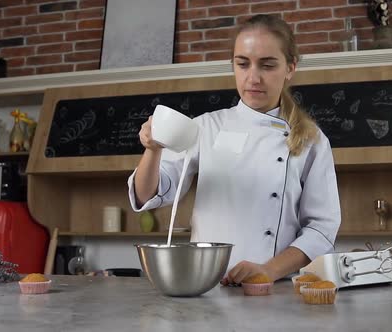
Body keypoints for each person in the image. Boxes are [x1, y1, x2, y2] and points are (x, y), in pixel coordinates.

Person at [127, 14, 341, 285]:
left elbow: (322, 229)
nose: (253, 77)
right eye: (242, 64)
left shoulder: (312, 140)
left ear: (290, 68)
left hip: (274, 289)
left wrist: (269, 270)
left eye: (267, 65)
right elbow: (149, 194)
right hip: (206, 285)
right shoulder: (205, 127)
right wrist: (152, 149)